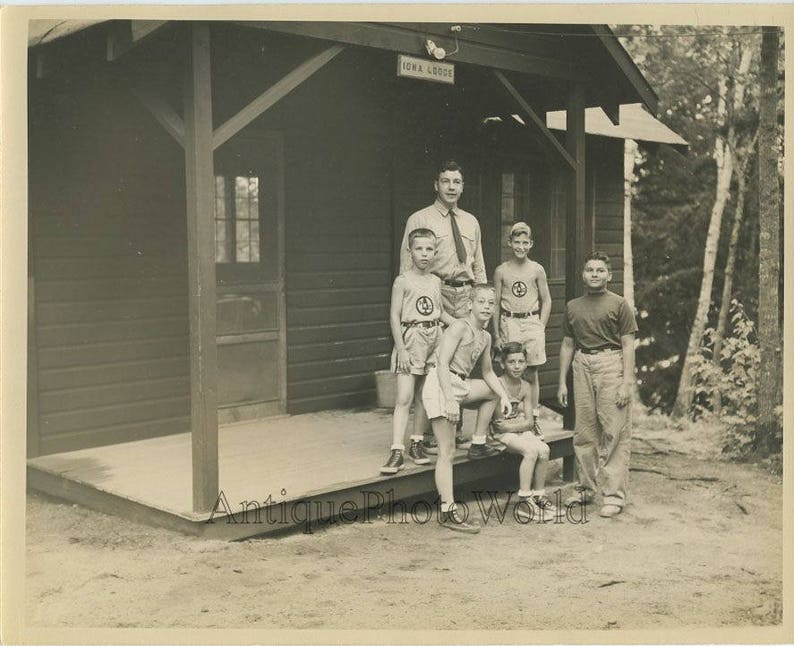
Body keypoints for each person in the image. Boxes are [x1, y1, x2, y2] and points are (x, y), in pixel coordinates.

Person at [399, 160, 488, 454]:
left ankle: (454, 427)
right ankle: (423, 435)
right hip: (434, 293)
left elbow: (479, 264)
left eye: (457, 182)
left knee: (459, 362)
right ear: (435, 185)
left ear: (463, 186)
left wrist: (482, 299)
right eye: (446, 181)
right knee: (431, 363)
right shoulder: (419, 219)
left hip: (465, 296)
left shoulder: (470, 221)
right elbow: (406, 267)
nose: (451, 187)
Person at [422, 284, 511, 533]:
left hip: (460, 383)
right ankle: (448, 510)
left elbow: (487, 372)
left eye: (490, 303)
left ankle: (478, 443)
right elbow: (441, 364)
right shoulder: (459, 327)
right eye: (481, 302)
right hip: (441, 384)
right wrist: (450, 400)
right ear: (470, 304)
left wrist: (504, 396)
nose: (486, 307)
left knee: (492, 391)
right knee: (447, 451)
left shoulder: (485, 336)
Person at [557, 251, 637, 519]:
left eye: (600, 270)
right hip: (582, 365)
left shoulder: (619, 304)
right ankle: (585, 489)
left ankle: (614, 496)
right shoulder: (572, 306)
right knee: (584, 431)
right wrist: (561, 383)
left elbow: (628, 344)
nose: (594, 274)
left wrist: (627, 382)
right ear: (583, 274)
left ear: (609, 275)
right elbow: (567, 345)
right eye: (590, 269)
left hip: (610, 365)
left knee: (615, 432)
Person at [380, 228, 455, 475]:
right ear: (410, 252)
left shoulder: (435, 281)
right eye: (419, 249)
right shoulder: (402, 281)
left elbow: (439, 312)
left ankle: (416, 443)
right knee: (404, 397)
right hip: (411, 339)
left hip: (435, 337)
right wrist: (400, 348)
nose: (424, 254)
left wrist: (459, 323)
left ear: (435, 252)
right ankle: (397, 450)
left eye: (429, 249)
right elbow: (394, 316)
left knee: (425, 394)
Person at [492, 222, 552, 438]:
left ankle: (532, 418)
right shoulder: (502, 271)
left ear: (531, 244)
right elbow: (496, 303)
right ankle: (507, 416)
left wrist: (540, 326)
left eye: (525, 243)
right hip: (510, 322)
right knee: (509, 370)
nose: (520, 247)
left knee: (532, 371)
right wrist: (497, 334)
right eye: (516, 242)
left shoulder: (537, 269)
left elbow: (547, 300)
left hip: (531, 321)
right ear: (510, 243)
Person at [491, 342, 558, 521]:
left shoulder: (526, 386)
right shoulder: (497, 384)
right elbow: (499, 425)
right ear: (502, 364)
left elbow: (529, 423)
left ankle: (538, 496)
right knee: (530, 451)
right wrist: (518, 425)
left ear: (526, 364)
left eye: (521, 361)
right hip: (500, 437)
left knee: (544, 449)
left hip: (515, 430)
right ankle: (524, 501)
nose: (517, 366)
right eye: (512, 362)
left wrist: (515, 426)